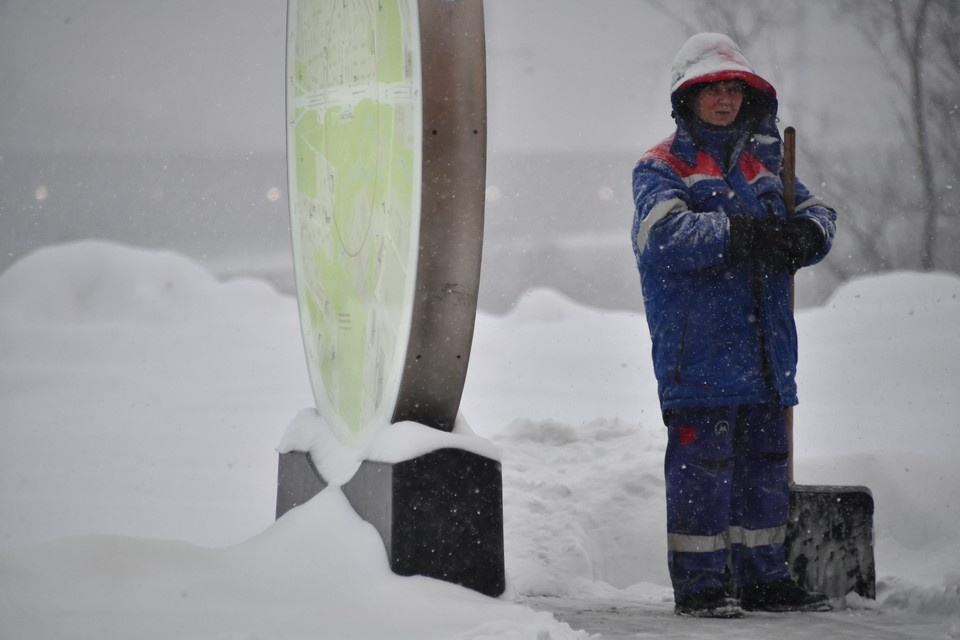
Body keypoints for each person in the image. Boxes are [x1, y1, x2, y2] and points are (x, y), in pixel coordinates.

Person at [631, 33, 837, 618]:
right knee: (704, 469)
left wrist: (809, 233)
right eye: (710, 89)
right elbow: (662, 237)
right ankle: (700, 587)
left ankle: (763, 579)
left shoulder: (765, 164)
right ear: (685, 99)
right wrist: (743, 232)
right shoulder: (661, 166)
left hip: (766, 353)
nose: (723, 99)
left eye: (732, 88)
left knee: (764, 465)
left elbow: (819, 210)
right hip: (698, 354)